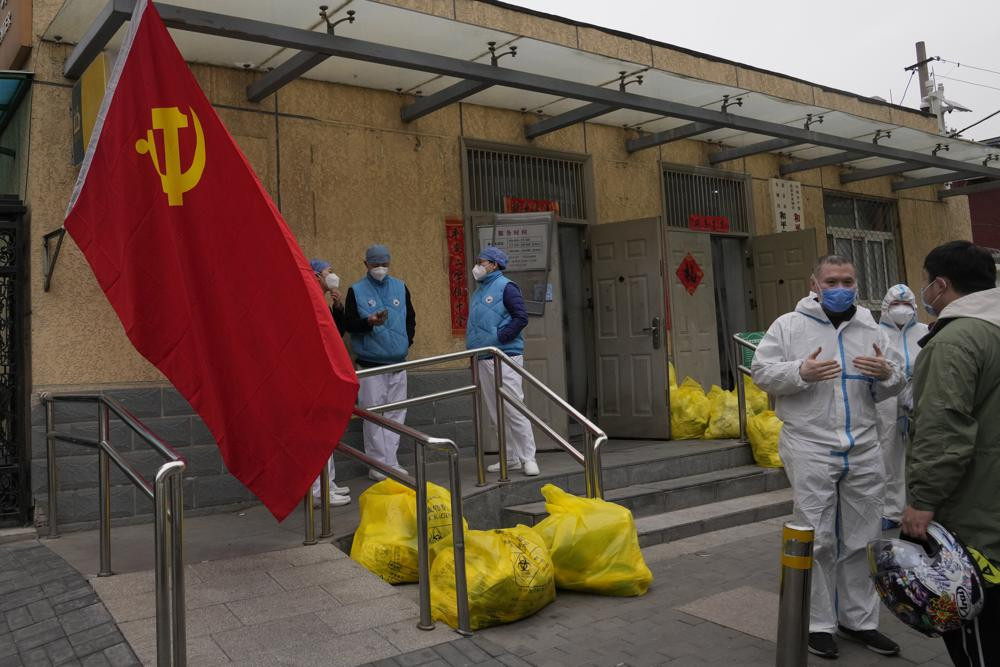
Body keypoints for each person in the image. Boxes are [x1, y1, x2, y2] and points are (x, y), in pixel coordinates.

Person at [751, 255, 904, 659]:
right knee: (816, 536)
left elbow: (898, 380)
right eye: (832, 280)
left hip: (864, 444)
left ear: (857, 284)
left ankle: (860, 620)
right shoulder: (789, 325)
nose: (841, 288)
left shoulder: (871, 326)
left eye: (848, 281)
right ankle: (818, 624)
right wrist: (801, 372)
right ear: (814, 284)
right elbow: (761, 372)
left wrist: (885, 375)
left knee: (864, 537)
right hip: (810, 442)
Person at [900, 241, 1000, 666]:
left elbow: (943, 433)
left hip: (975, 517)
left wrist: (922, 501)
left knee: (977, 637)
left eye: (925, 283)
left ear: (940, 285)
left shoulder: (955, 341)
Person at [344, 245, 415, 480]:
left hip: (397, 362)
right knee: (373, 414)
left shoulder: (400, 287)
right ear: (366, 265)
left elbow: (411, 319)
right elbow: (350, 325)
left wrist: (405, 343)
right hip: (370, 364)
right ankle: (377, 464)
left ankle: (391, 461)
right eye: (375, 265)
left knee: (396, 414)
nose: (380, 269)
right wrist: (368, 322)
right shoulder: (356, 291)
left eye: (384, 264)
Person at [465, 246, 539, 476]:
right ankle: (510, 456)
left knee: (513, 406)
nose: (477, 266)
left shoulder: (506, 287)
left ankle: (528, 457)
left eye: (482, 261)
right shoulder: (479, 292)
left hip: (505, 355)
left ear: (494, 265)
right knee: (495, 410)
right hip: (484, 356)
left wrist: (500, 337)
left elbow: (521, 317)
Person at [875, 284, 928, 530]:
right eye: (896, 304)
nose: (901, 310)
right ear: (885, 307)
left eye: (906, 305)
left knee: (920, 455)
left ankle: (919, 505)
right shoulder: (875, 334)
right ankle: (889, 510)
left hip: (918, 400)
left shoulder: (925, 332)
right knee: (888, 456)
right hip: (885, 405)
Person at [308, 259, 351, 507]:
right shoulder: (310, 297)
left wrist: (337, 306)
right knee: (318, 432)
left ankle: (328, 484)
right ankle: (318, 489)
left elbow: (336, 332)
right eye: (328, 272)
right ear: (315, 275)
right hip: (313, 375)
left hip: (323, 374)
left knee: (326, 430)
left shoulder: (323, 300)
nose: (333, 276)